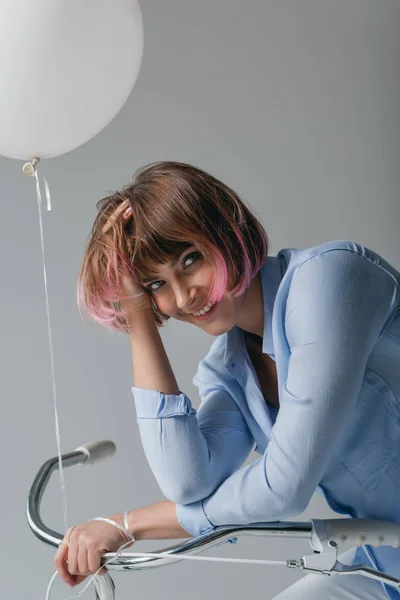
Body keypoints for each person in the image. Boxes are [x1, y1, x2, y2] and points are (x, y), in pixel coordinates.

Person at [54, 162, 400, 599]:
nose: (181, 298)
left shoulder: (330, 279)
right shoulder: (229, 368)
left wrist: (128, 525)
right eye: (157, 283)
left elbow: (285, 487)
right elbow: (187, 481)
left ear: (227, 229)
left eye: (190, 259)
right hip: (384, 561)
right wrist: (138, 315)